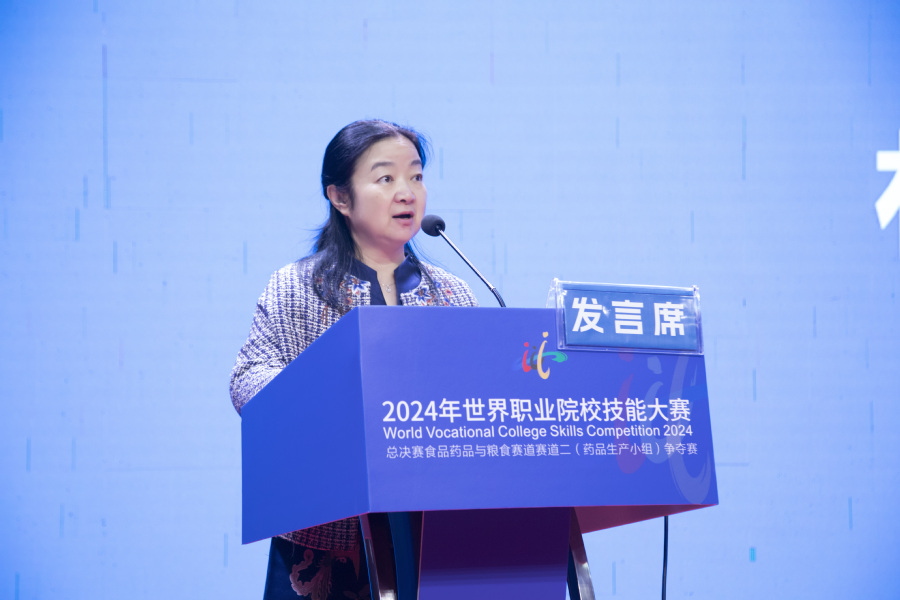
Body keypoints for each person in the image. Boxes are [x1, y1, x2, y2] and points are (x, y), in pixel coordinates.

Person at [230, 119, 479, 600]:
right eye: (386, 178)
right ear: (340, 197)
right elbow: (249, 377)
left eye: (416, 176)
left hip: (431, 528)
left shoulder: (452, 293)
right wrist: (322, 396)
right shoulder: (296, 286)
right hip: (326, 534)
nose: (407, 192)